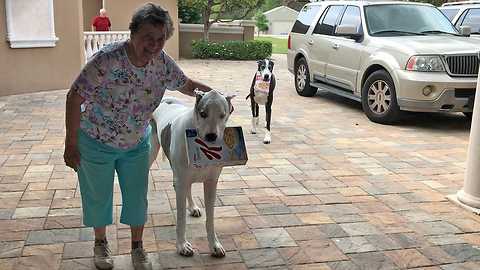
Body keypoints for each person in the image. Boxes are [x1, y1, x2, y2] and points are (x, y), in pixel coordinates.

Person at [64, 3, 212, 270]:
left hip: (135, 143)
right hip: (96, 140)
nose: (154, 45)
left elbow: (187, 86)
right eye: (148, 36)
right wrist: (71, 144)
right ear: (133, 33)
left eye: (160, 39)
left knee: (137, 196)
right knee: (98, 195)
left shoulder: (163, 64)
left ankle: (137, 247)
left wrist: (215, 97)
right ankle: (101, 243)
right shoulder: (107, 59)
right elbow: (74, 98)